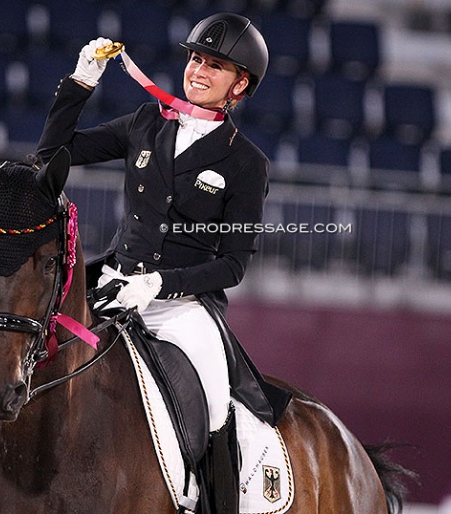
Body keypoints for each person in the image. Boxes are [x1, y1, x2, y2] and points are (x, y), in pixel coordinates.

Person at [36, 12, 290, 514]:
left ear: (239, 85)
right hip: (112, 288)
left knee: (217, 402)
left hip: (185, 307)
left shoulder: (246, 162)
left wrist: (159, 284)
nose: (198, 70)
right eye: (196, 58)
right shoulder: (145, 122)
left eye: (214, 65)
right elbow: (51, 154)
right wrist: (81, 82)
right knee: (37, 351)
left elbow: (233, 266)